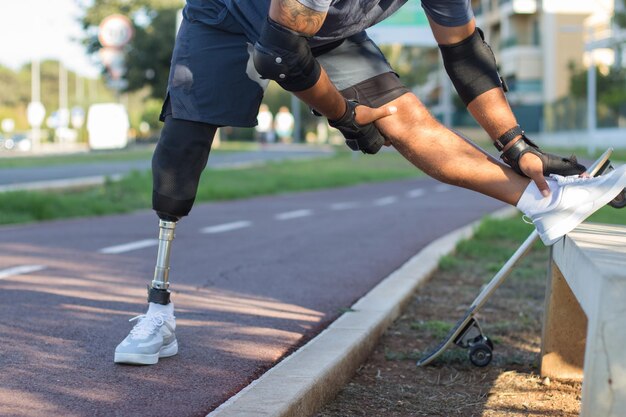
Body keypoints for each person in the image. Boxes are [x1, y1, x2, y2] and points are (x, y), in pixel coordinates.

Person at [113, 0, 626, 365]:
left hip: (319, 32)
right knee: (182, 149)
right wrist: (344, 113)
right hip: (224, 15)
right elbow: (278, 58)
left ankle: (543, 202)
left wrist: (516, 144)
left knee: (404, 115)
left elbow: (466, 55)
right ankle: (158, 311)